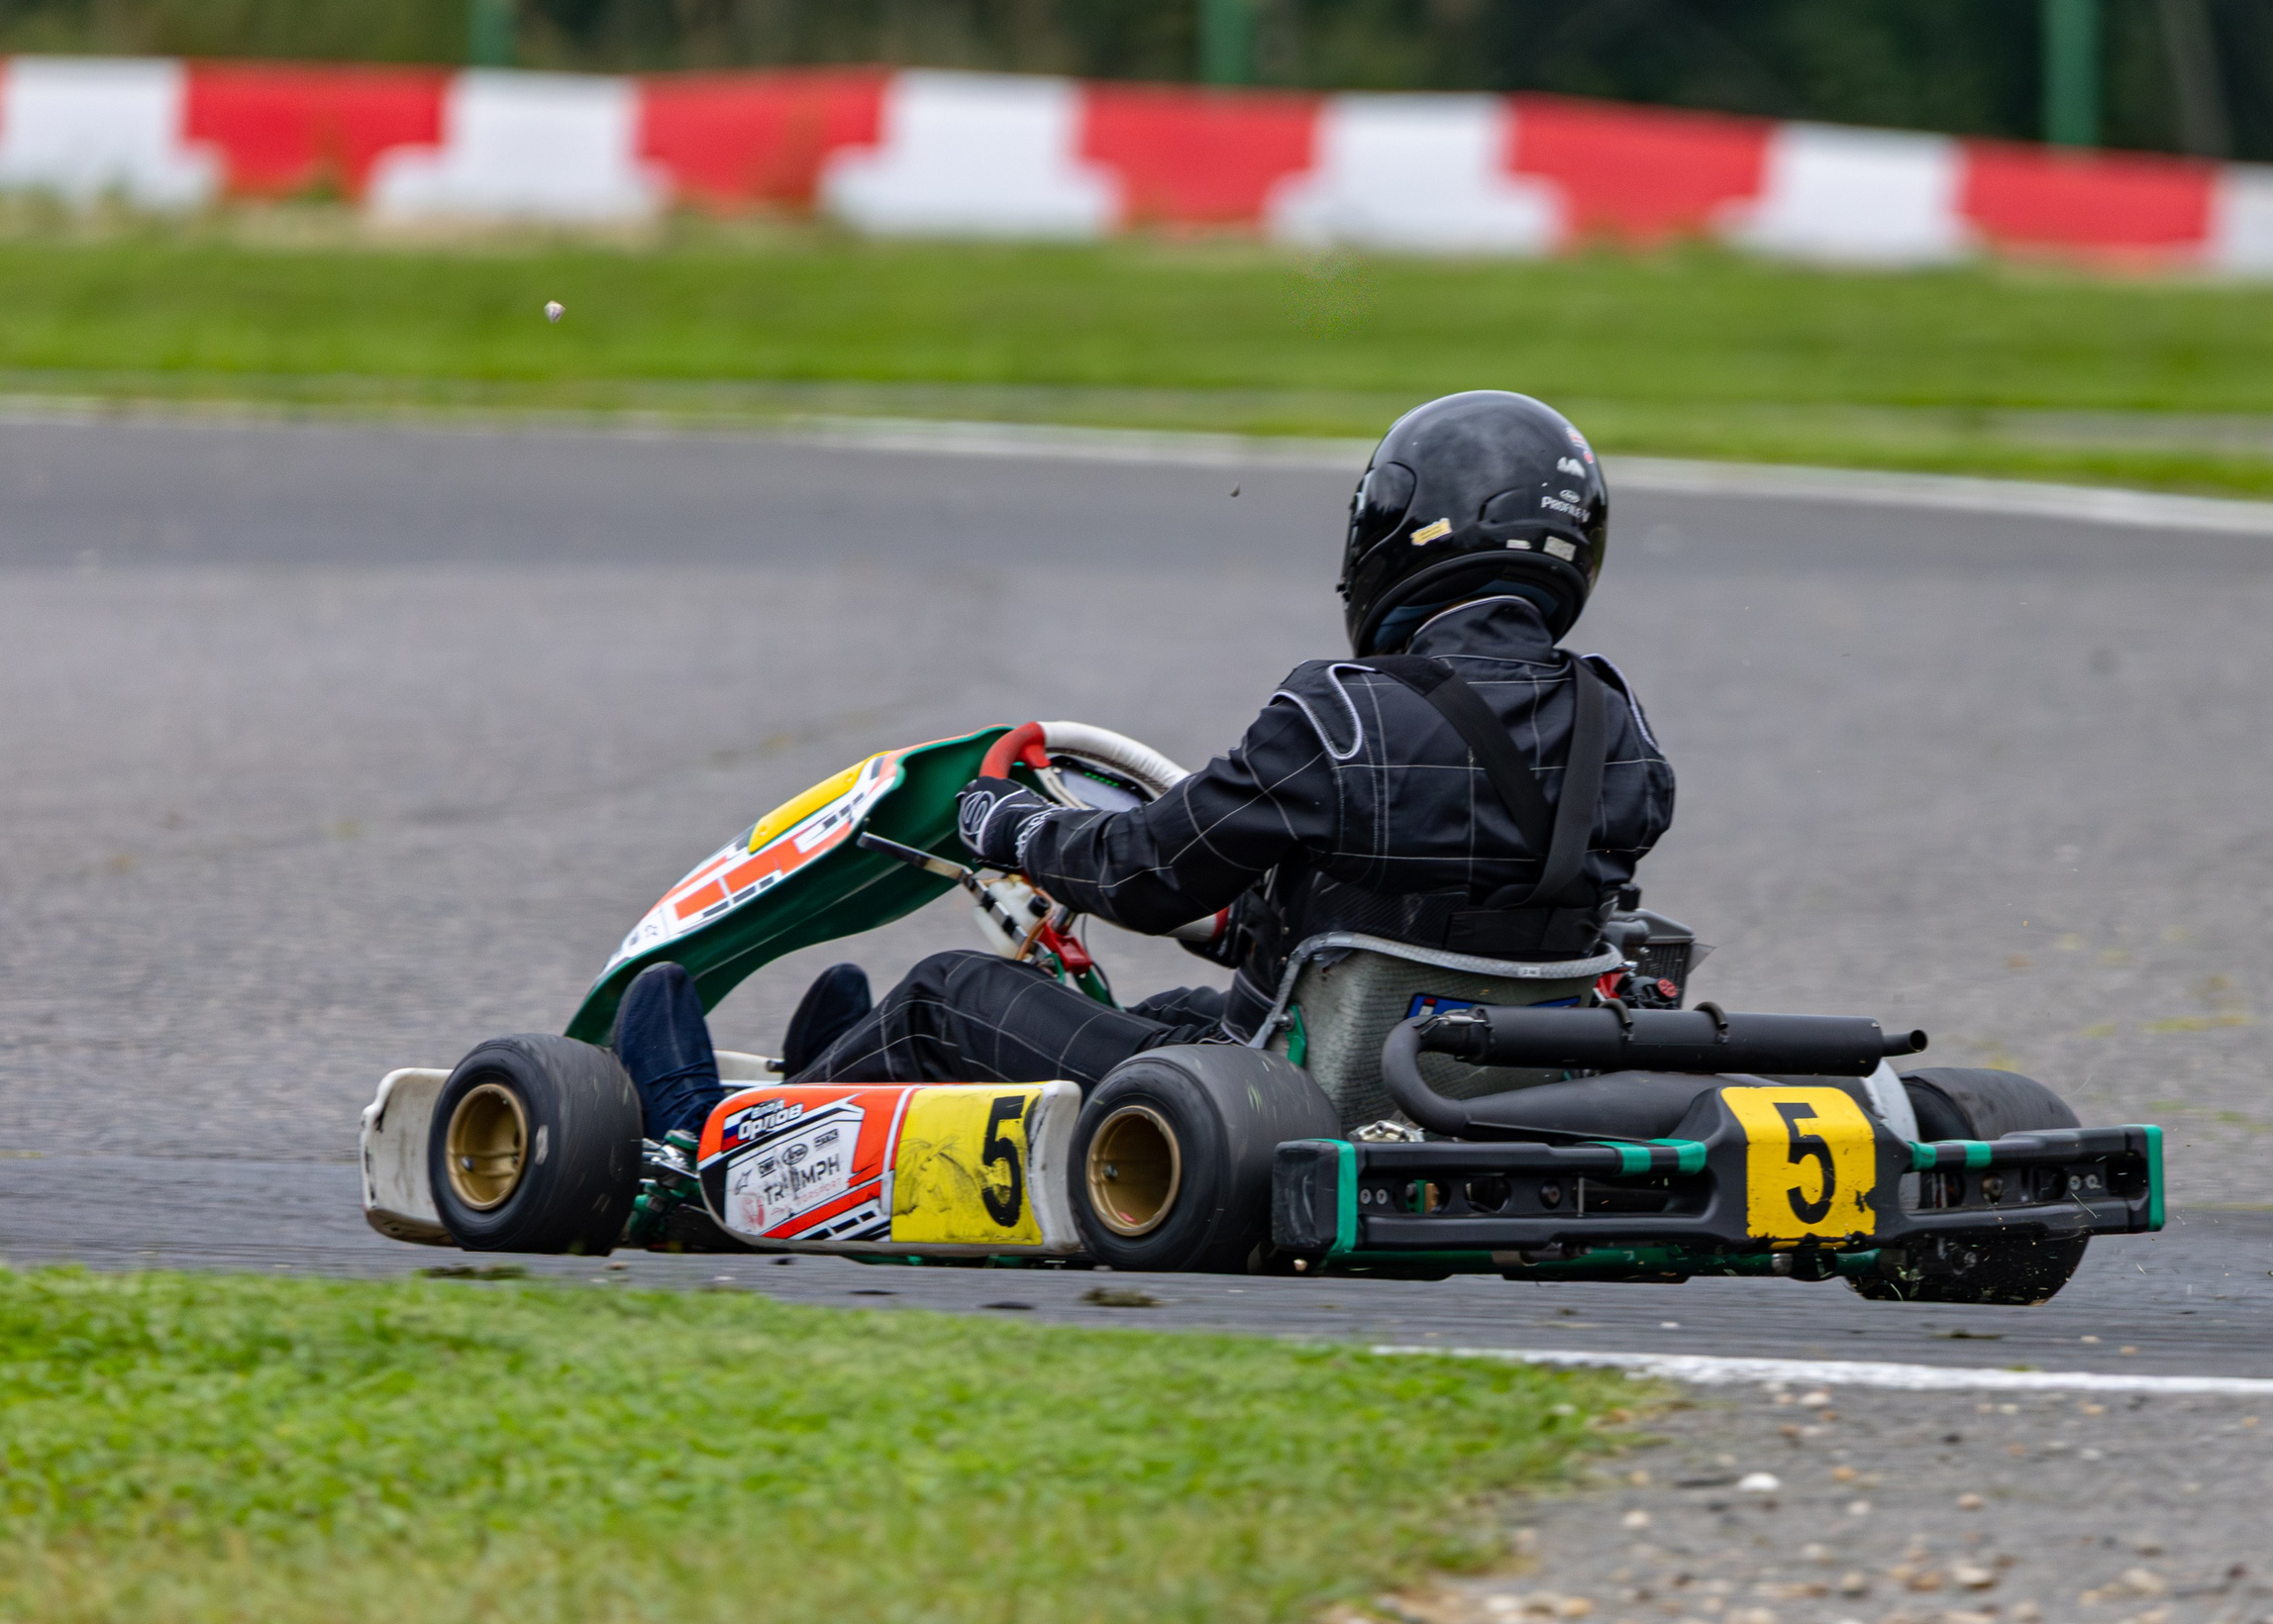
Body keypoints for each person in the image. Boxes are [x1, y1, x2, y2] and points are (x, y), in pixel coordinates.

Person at [612, 389, 1676, 1146]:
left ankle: (710, 1144)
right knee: (1171, 1005)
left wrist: (1005, 827)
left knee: (952, 990)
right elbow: (1450, 896)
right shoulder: (1616, 726)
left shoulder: (1340, 714)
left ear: (1400, 525)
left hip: (1288, 1098)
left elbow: (1139, 872)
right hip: (1473, 1085)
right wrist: (1258, 920)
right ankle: (836, 1089)